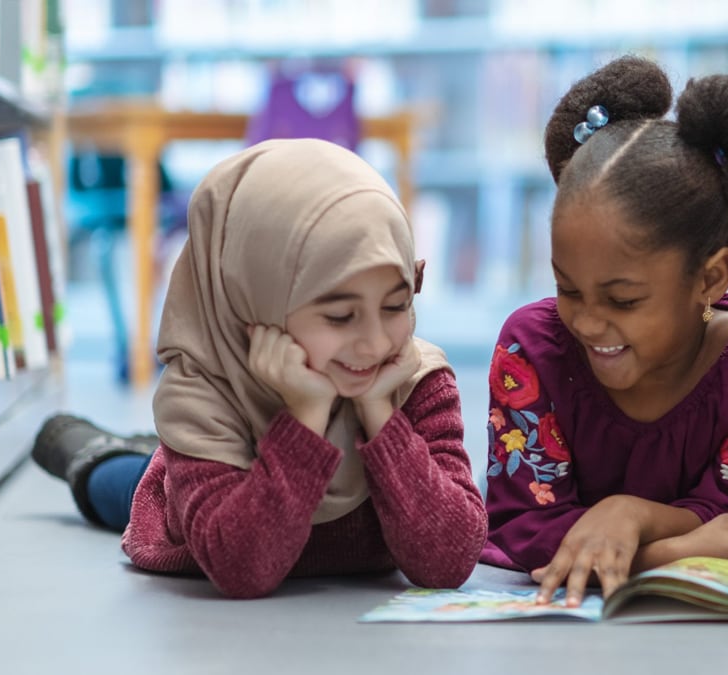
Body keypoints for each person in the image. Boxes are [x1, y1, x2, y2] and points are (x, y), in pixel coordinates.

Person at [31, 139, 487, 598]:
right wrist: (307, 416)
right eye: (339, 316)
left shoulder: (414, 379)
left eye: (396, 304)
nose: (373, 344)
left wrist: (380, 414)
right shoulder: (203, 395)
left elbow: (449, 561)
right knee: (121, 483)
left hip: (253, 465)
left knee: (162, 459)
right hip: (193, 512)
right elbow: (243, 569)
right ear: (255, 296)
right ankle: (89, 450)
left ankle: (150, 450)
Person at [480, 55, 728, 607]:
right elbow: (522, 527)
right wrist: (663, 553)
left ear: (710, 278)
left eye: (624, 299)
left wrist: (627, 513)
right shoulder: (531, 347)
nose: (587, 321)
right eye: (568, 288)